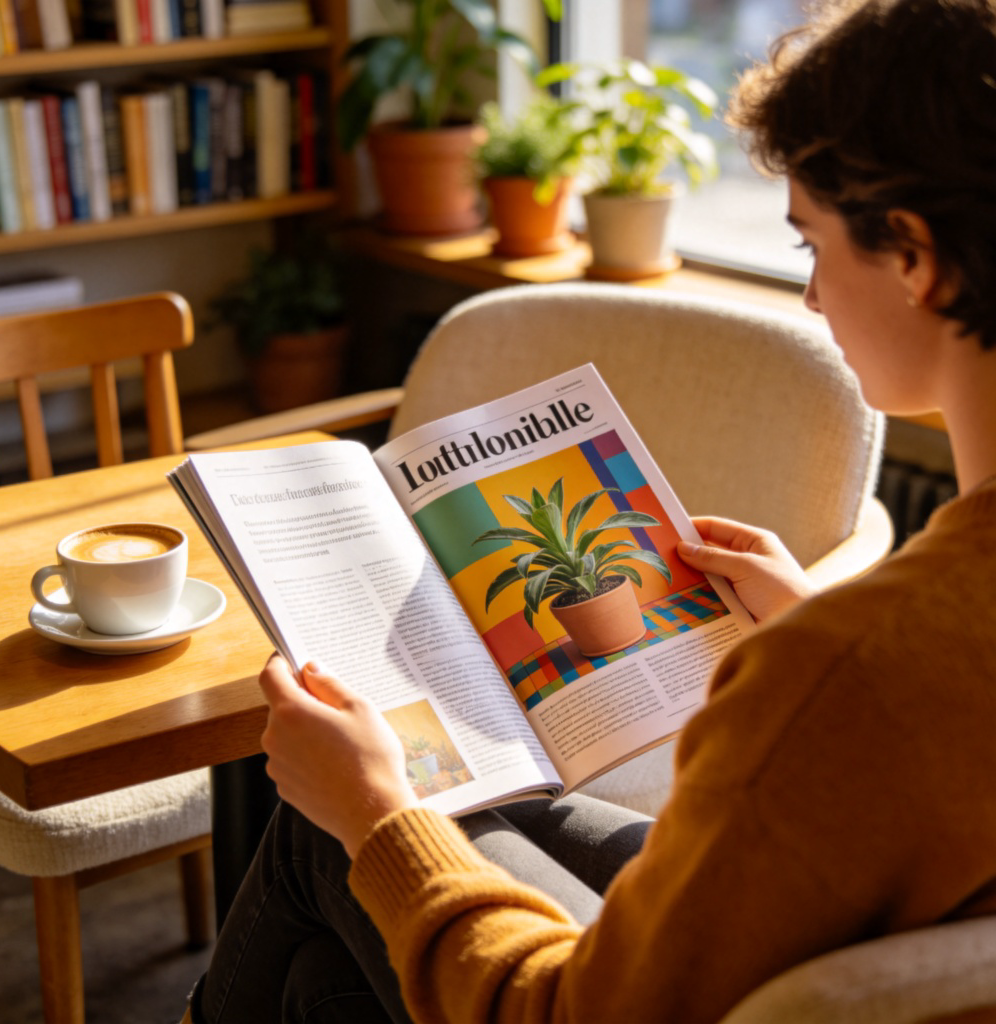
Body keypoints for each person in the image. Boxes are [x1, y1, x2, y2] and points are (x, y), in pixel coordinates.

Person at [183, 1, 996, 1020]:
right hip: (833, 922)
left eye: (809, 248)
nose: (813, 299)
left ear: (912, 255)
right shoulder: (907, 632)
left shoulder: (848, 668)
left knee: (334, 831)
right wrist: (807, 623)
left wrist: (378, 814)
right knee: (322, 988)